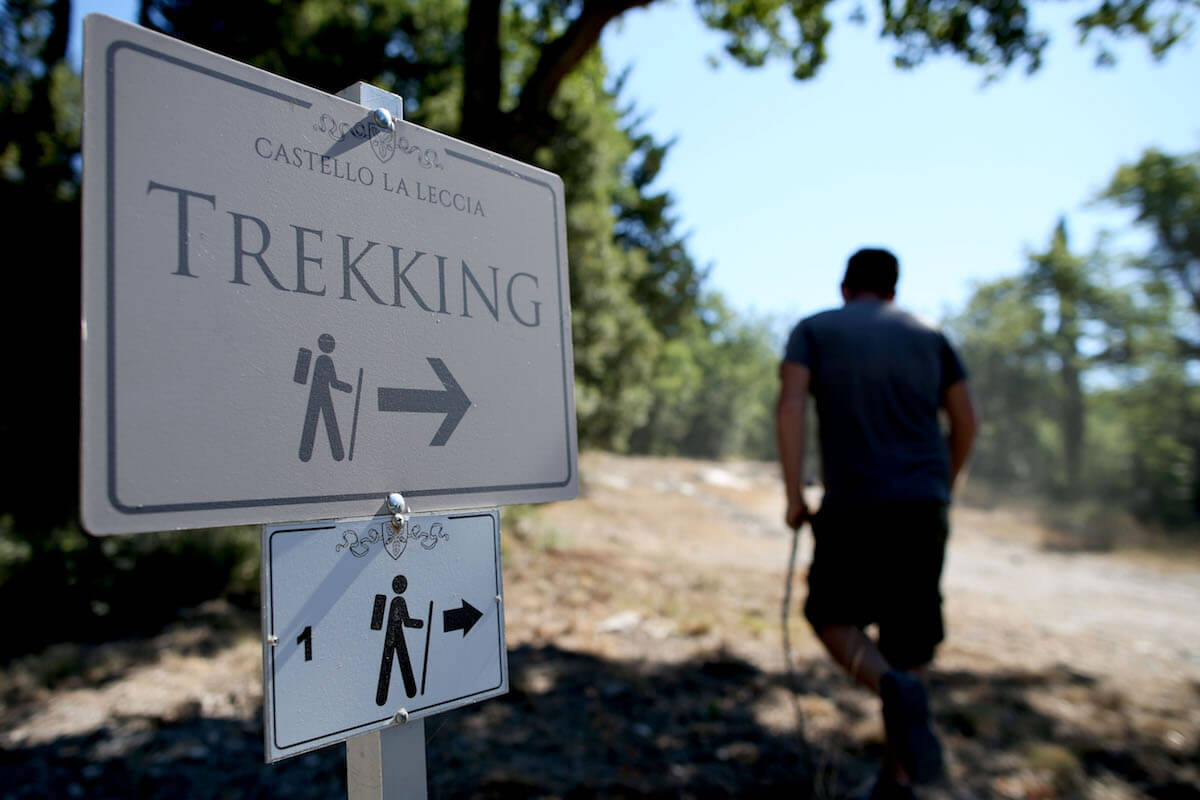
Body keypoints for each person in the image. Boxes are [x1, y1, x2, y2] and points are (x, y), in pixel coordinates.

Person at [776, 248, 977, 799]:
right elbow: (966, 419)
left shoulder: (813, 330)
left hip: (854, 502)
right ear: (893, 290)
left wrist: (795, 496)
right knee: (909, 640)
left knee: (829, 614)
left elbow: (790, 406)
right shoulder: (931, 334)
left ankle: (889, 686)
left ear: (845, 287)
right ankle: (899, 779)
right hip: (923, 503)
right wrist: (945, 484)